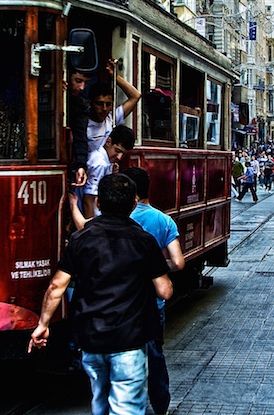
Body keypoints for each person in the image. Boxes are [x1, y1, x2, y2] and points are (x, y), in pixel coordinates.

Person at [28, 173, 173, 415]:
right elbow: (165, 291)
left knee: (100, 401)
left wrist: (43, 324)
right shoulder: (144, 241)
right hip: (130, 339)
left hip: (91, 338)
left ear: (98, 204)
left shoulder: (80, 238)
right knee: (126, 407)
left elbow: (56, 286)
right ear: (133, 205)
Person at [120, 167, 184, 415]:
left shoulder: (118, 219)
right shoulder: (162, 220)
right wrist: (156, 266)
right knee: (155, 355)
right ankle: (161, 405)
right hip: (153, 304)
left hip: (123, 304)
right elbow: (178, 263)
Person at [87, 59, 141, 154]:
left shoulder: (111, 119)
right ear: (90, 103)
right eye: (99, 104)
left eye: (108, 104)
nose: (104, 109)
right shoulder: (83, 125)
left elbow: (136, 95)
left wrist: (114, 76)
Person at [83, 125, 136, 217]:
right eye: (117, 150)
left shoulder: (106, 162)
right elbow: (88, 200)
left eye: (123, 154)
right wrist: (91, 228)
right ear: (108, 141)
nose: (119, 157)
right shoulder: (100, 163)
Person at [67, 66, 92, 188]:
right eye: (78, 81)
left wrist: (81, 165)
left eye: (86, 83)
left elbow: (80, 136)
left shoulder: (81, 106)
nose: (82, 87)